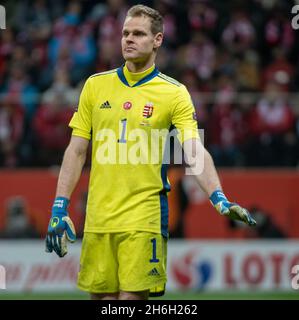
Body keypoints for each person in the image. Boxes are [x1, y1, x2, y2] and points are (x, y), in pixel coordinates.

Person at [45, 5, 256, 300]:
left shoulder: (174, 93)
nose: (128, 39)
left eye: (139, 34)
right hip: (98, 218)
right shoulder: (95, 86)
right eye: (125, 33)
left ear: (157, 40)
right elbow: (76, 150)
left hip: (144, 218)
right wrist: (59, 206)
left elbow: (194, 150)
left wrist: (218, 197)